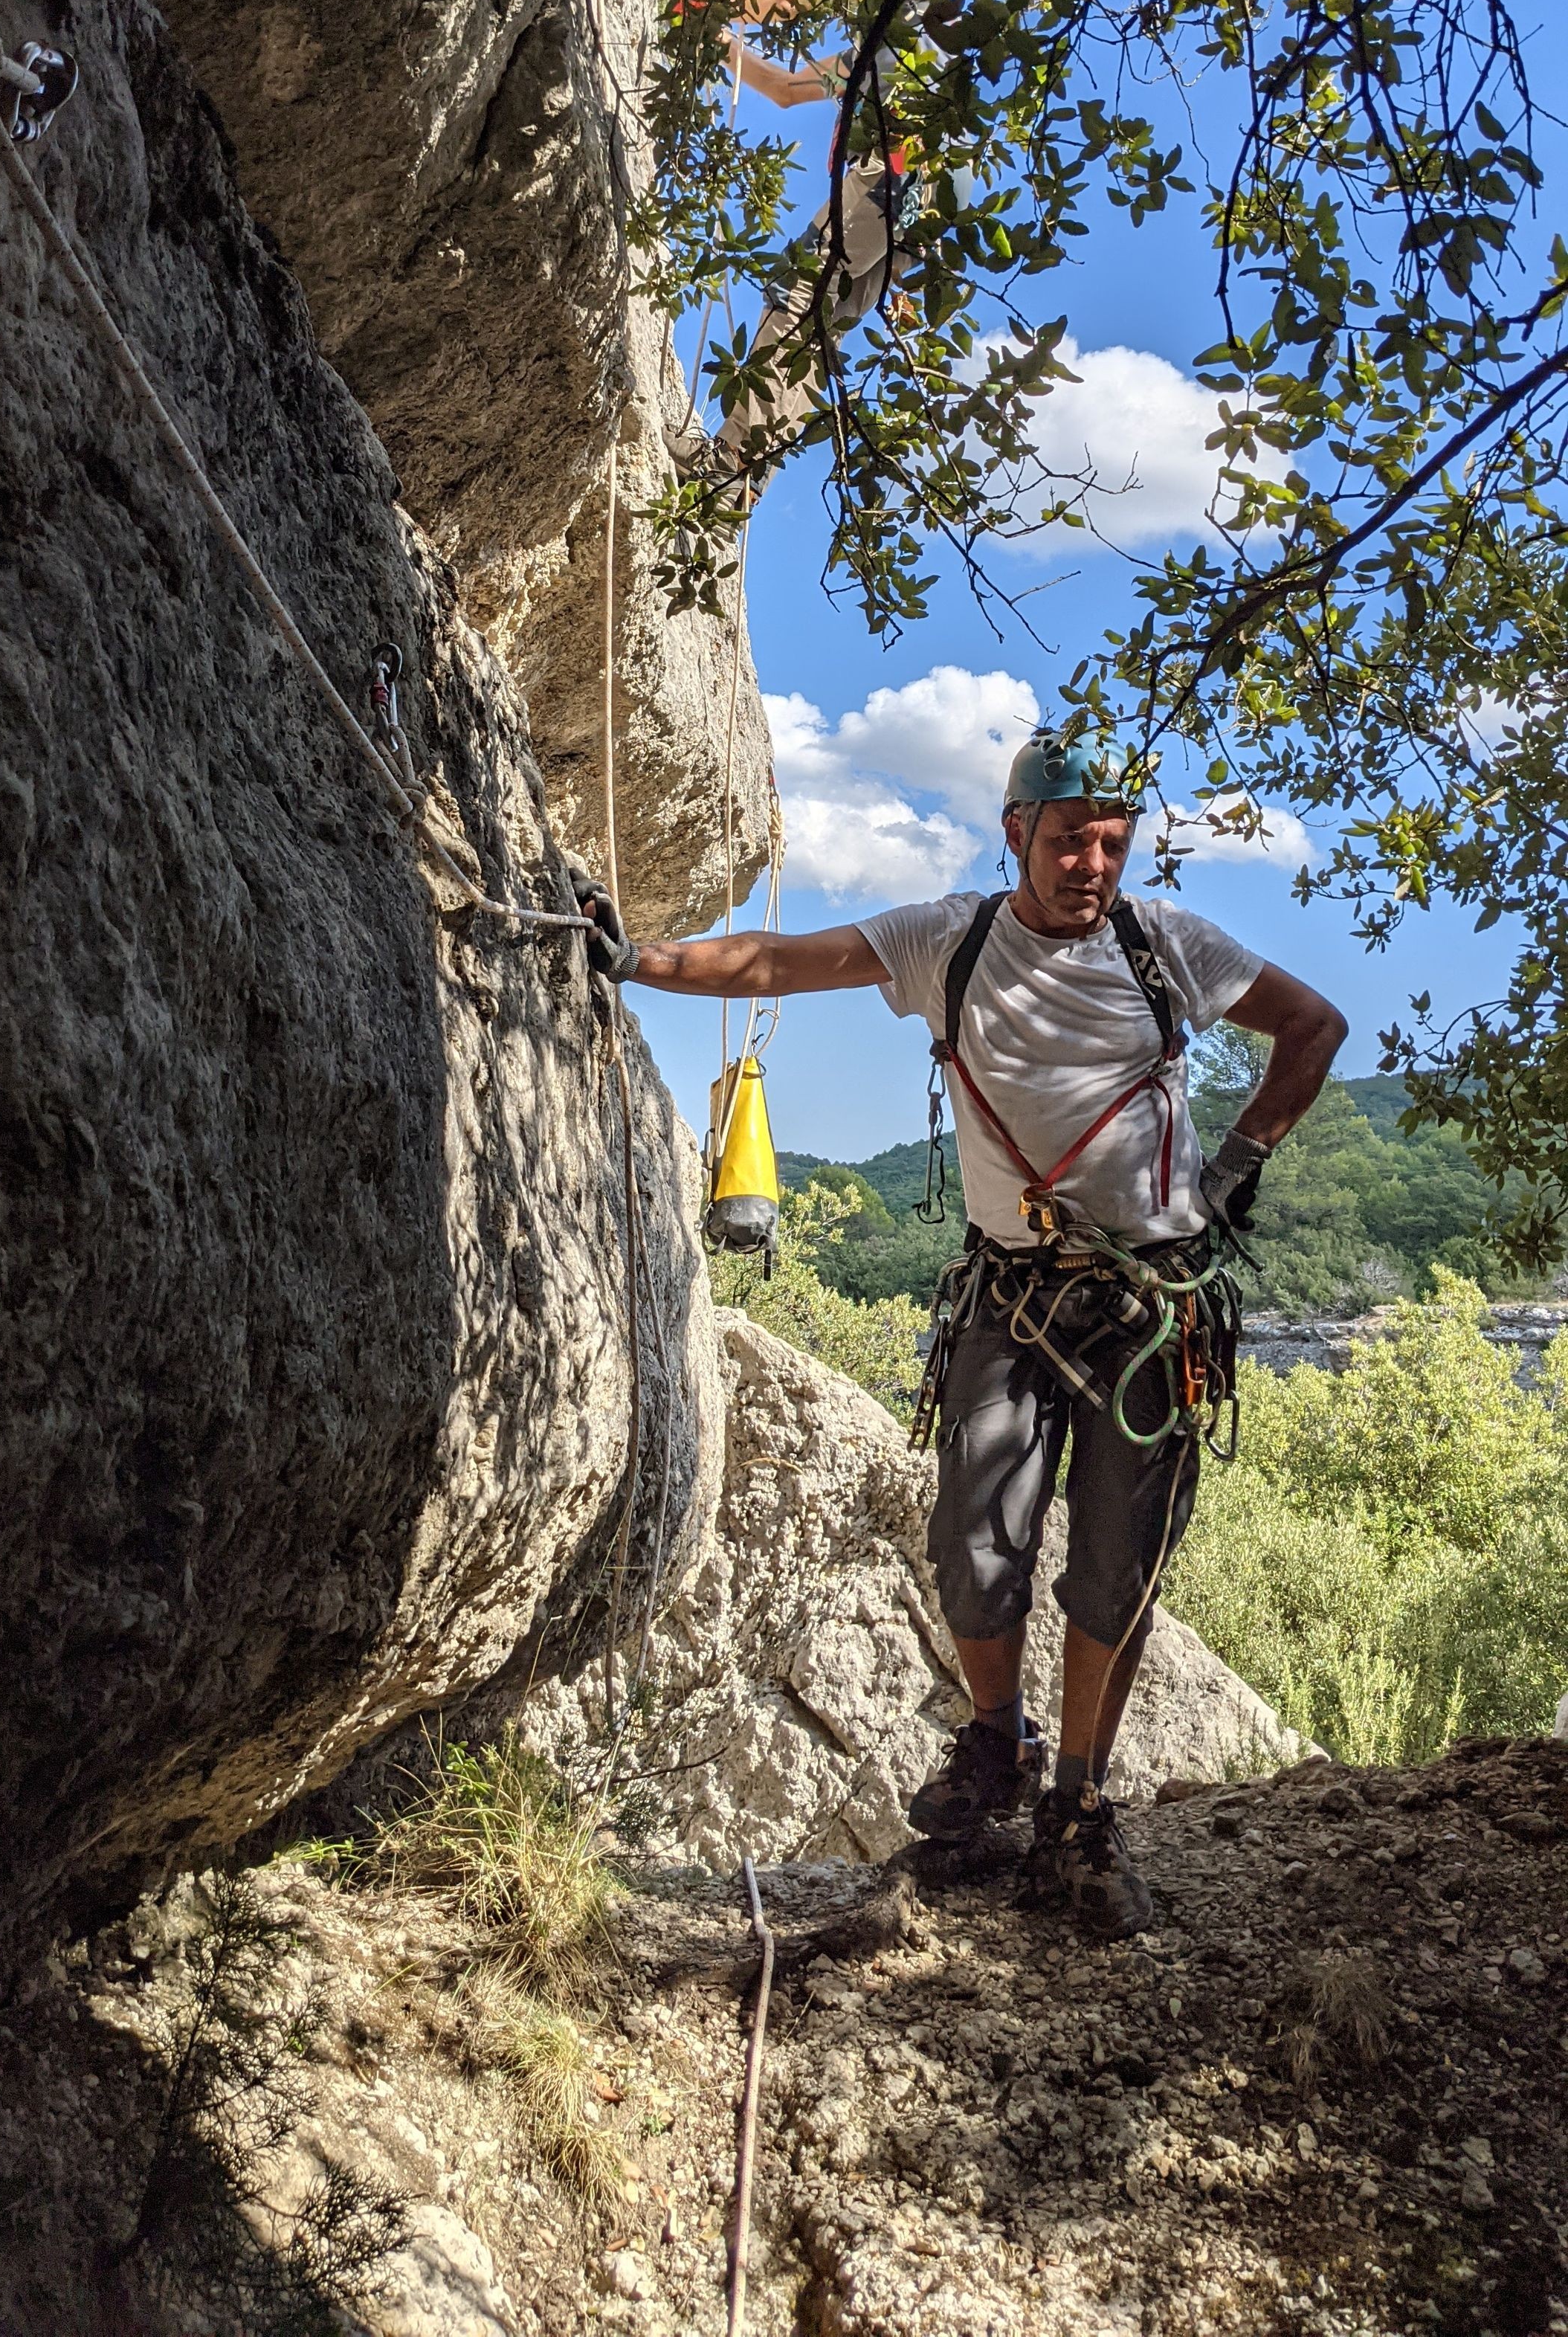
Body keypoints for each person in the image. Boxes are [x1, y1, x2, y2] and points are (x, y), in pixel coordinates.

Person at [571, 729, 1346, 1937]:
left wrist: (1236, 1168)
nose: (1091, 862)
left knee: (1112, 1566)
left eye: (1111, 839)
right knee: (973, 1547)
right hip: (1009, 1295)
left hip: (1145, 1312)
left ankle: (1081, 1815)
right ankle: (998, 1747)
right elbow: (780, 959)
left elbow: (1314, 1027)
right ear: (1015, 835)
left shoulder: (1170, 949)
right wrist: (635, 958)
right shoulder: (952, 940)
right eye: (1067, 839)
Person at [666, 0, 929, 489]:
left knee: (799, 284)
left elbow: (792, 0)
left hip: (891, 176)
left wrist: (706, 7)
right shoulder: (875, 62)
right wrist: (716, 37)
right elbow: (784, 90)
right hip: (917, 210)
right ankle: (744, 475)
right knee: (818, 324)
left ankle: (732, 457)